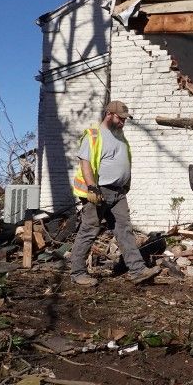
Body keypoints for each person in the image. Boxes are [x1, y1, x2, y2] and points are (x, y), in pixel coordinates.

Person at [67, 101, 160, 287]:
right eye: (120, 118)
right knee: (89, 231)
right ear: (109, 114)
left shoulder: (119, 135)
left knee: (124, 230)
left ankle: (137, 270)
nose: (123, 122)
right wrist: (92, 187)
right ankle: (77, 272)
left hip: (118, 193)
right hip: (99, 191)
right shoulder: (93, 135)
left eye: (125, 119)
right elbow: (85, 162)